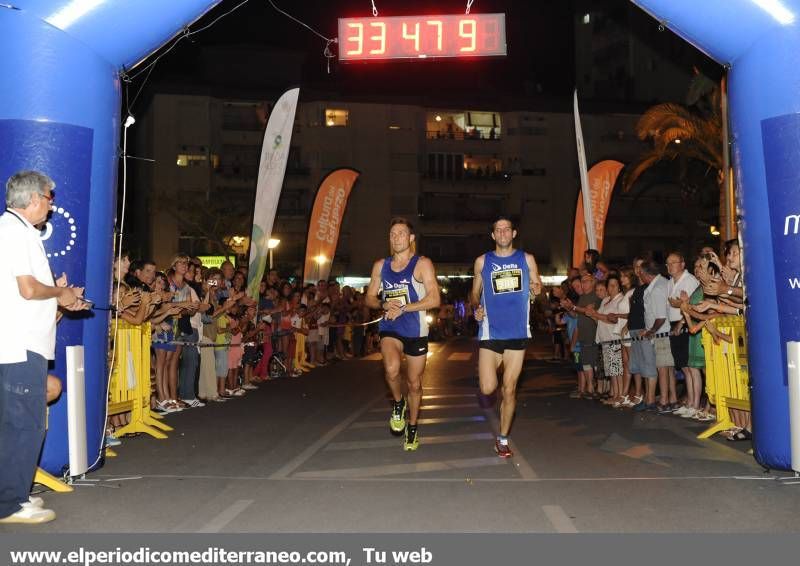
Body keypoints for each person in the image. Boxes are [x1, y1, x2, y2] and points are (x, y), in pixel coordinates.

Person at [0, 171, 87, 524]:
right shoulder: (13, 231)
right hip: (18, 346)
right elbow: (28, 289)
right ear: (34, 198)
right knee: (26, 425)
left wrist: (62, 300)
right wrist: (59, 293)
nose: (52, 206)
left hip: (24, 343)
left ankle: (13, 495)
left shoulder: (20, 232)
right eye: (49, 199)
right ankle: (10, 503)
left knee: (18, 424)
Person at [365, 217, 440, 451]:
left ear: (411, 238)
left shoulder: (422, 264)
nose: (396, 237)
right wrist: (383, 305)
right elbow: (369, 297)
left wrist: (404, 308)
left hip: (416, 328)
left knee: (414, 383)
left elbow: (435, 298)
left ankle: (413, 427)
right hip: (391, 327)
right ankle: (398, 404)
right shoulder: (381, 265)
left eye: (401, 233)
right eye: (392, 234)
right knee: (391, 368)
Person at [471, 216, 542, 458]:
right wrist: (476, 309)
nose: (502, 233)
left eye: (506, 229)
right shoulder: (482, 261)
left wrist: (536, 290)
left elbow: (537, 288)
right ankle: (490, 369)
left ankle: (502, 439)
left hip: (518, 332)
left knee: (509, 389)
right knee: (488, 387)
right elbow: (474, 294)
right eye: (497, 230)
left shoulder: (527, 259)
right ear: (493, 235)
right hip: (491, 332)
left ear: (513, 233)